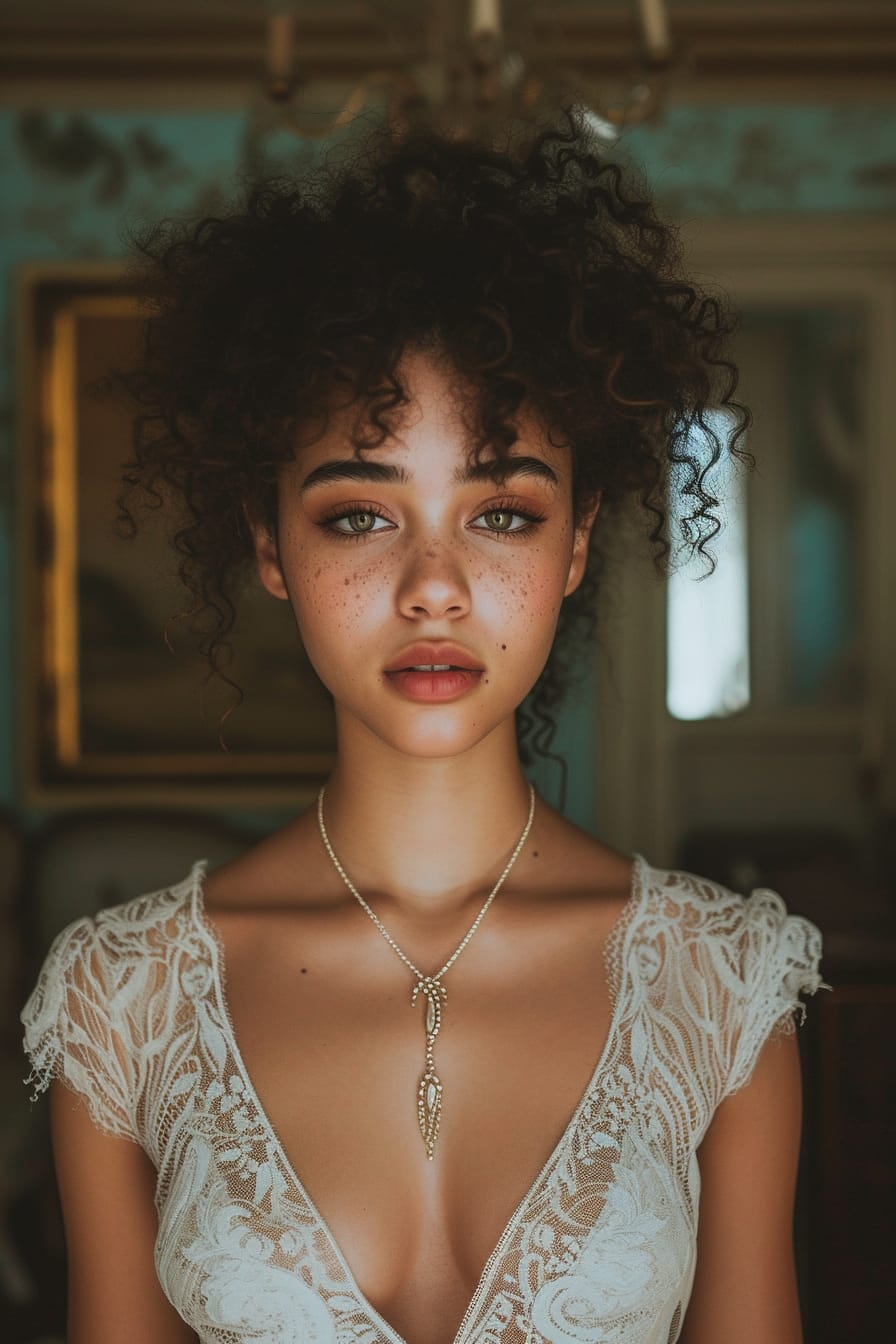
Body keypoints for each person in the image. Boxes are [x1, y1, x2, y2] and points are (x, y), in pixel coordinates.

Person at [21, 109, 824, 1344]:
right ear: (267, 543)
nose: (433, 586)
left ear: (579, 542)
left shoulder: (721, 989)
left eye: (501, 513)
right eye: (358, 515)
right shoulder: (121, 1002)